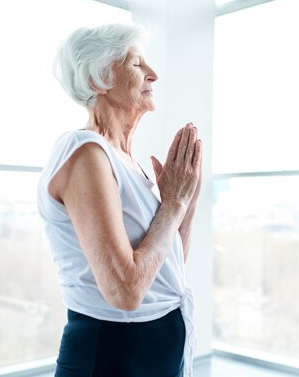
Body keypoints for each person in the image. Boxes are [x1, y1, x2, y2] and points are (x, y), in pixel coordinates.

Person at [37, 23, 202, 377]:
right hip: (111, 361)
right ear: (99, 80)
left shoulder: (124, 160)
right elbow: (125, 291)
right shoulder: (85, 154)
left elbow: (165, 270)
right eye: (136, 64)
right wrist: (171, 204)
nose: (153, 74)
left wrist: (185, 201)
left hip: (155, 360)